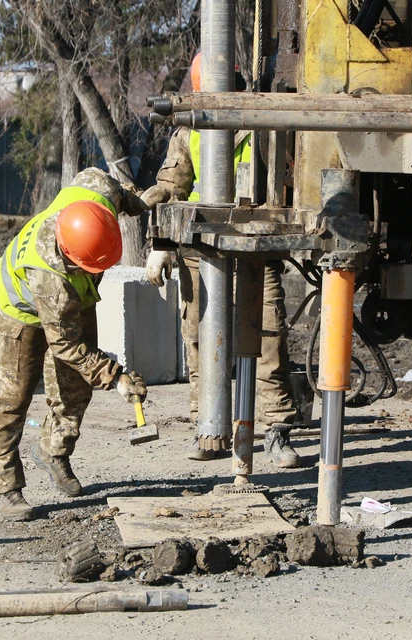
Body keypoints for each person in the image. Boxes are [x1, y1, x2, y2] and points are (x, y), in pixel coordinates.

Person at [143, 52, 302, 468]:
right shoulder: (188, 126)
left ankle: (276, 431)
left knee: (267, 336)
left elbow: (286, 174)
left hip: (255, 243)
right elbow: (172, 184)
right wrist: (159, 241)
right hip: (202, 248)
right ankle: (209, 427)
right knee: (199, 339)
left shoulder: (259, 120)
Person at [0, 168, 150, 521]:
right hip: (22, 311)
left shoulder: (96, 194)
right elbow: (67, 346)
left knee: (75, 389)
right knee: (12, 400)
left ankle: (52, 451)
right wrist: (116, 377)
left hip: (76, 301)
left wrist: (141, 201)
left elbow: (115, 187)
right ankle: (5, 488)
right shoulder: (51, 278)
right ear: (73, 258)